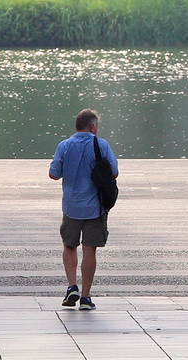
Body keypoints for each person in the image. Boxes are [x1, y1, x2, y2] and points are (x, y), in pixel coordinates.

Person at [50, 108, 118, 311]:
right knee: (90, 249)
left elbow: (54, 174)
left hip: (71, 206)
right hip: (95, 207)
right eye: (96, 125)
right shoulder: (101, 145)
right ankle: (86, 298)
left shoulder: (64, 146)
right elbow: (114, 173)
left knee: (69, 245)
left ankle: (72, 286)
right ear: (92, 126)